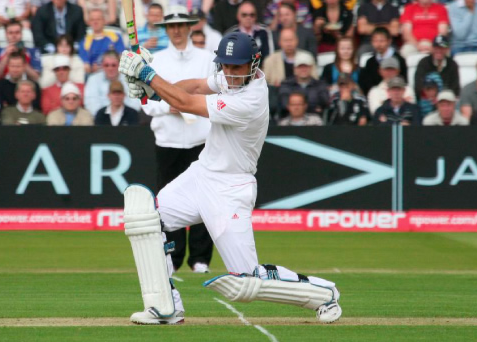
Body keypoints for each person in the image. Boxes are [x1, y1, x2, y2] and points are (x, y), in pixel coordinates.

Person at [118, 31, 342, 325]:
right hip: (201, 175)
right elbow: (197, 85)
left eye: (237, 67)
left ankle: (322, 293)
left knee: (247, 282)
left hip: (230, 189)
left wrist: (148, 75)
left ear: (254, 63)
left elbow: (186, 102)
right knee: (145, 220)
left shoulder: (250, 100)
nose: (231, 73)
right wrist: (153, 90)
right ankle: (164, 306)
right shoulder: (230, 76)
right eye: (225, 65)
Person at [140, 5, 216, 273]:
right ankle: (171, 257)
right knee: (168, 202)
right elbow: (146, 101)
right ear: (167, 30)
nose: (176, 31)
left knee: (204, 199)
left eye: (181, 26)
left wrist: (188, 104)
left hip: (200, 139)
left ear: (189, 28)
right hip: (169, 141)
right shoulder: (157, 60)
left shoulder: (207, 57)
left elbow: (214, 93)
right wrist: (167, 107)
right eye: (172, 26)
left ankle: (200, 259)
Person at [358, 28, 407, 95]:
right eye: (375, 41)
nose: (378, 44)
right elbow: (366, 85)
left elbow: (404, 81)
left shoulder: (399, 60)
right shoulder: (370, 62)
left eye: (381, 41)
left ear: (389, 41)